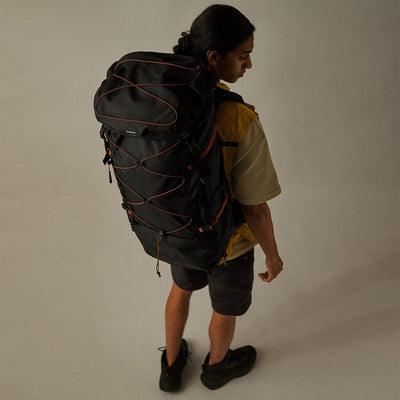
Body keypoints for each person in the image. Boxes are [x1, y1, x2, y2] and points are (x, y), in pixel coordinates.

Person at [159, 4, 283, 391]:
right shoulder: (238, 118)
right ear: (214, 56)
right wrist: (273, 254)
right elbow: (255, 206)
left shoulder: (164, 102)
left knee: (180, 290)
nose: (248, 65)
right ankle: (216, 367)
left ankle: (172, 364)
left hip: (178, 234)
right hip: (227, 241)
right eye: (242, 55)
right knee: (223, 307)